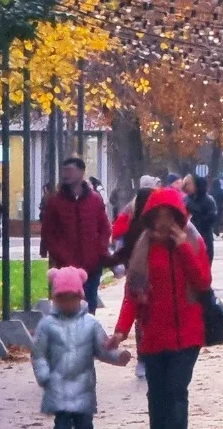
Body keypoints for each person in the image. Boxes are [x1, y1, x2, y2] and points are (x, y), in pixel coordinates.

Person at [108, 188, 212, 429]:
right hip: (153, 335)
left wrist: (184, 248)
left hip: (187, 335)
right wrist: (120, 331)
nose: (163, 222)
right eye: (158, 216)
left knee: (176, 392)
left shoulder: (193, 242)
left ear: (178, 217)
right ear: (150, 218)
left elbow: (202, 283)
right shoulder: (143, 249)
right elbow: (132, 294)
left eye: (169, 215)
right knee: (157, 397)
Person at [32, 267, 132, 429]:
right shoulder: (47, 325)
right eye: (62, 298)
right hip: (58, 386)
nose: (67, 303)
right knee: (62, 423)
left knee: (84, 423)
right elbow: (39, 354)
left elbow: (102, 348)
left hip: (83, 386)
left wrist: (118, 356)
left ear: (80, 297)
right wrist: (44, 376)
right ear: (55, 299)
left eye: (72, 298)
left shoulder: (90, 323)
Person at [42, 157, 112, 313]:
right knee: (66, 306)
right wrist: (59, 255)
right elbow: (48, 233)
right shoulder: (55, 201)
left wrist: (99, 250)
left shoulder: (94, 199)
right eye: (64, 171)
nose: (66, 175)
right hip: (65, 267)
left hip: (91, 264)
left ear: (81, 172)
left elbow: (105, 228)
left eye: (70, 170)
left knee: (89, 304)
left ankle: (88, 334)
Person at [106, 186, 156, 378]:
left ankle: (144, 358)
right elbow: (132, 295)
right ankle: (144, 358)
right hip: (149, 313)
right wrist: (120, 332)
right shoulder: (137, 239)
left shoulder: (179, 244)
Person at [184, 174, 219, 263]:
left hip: (204, 237)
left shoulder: (208, 201)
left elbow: (212, 218)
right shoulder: (186, 200)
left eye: (188, 184)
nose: (185, 187)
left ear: (196, 185)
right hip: (188, 239)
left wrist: (196, 218)